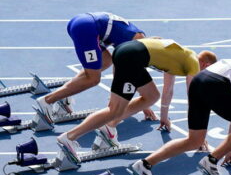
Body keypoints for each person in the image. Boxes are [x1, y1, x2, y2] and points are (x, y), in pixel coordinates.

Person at [55, 38, 216, 164]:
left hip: (128, 51)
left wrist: (164, 117)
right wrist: (197, 135)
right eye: (208, 72)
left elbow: (168, 91)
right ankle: (69, 138)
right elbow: (194, 100)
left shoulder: (182, 56)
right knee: (114, 109)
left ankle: (108, 130)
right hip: (132, 57)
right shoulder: (194, 64)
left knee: (152, 96)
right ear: (205, 64)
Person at [35, 12, 149, 121]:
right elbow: (121, 74)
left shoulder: (140, 41)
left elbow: (122, 70)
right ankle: (47, 101)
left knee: (106, 61)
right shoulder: (137, 44)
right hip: (86, 29)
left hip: (85, 24)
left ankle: (64, 95)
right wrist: (142, 104)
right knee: (93, 79)